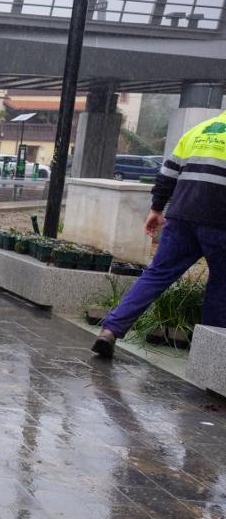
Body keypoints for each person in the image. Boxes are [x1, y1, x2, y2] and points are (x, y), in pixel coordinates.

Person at [92, 109, 226, 359]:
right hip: (220, 222)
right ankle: (211, 357)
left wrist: (156, 208)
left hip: (181, 215)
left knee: (156, 275)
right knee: (222, 284)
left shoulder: (198, 132)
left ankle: (110, 330)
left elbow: (167, 174)